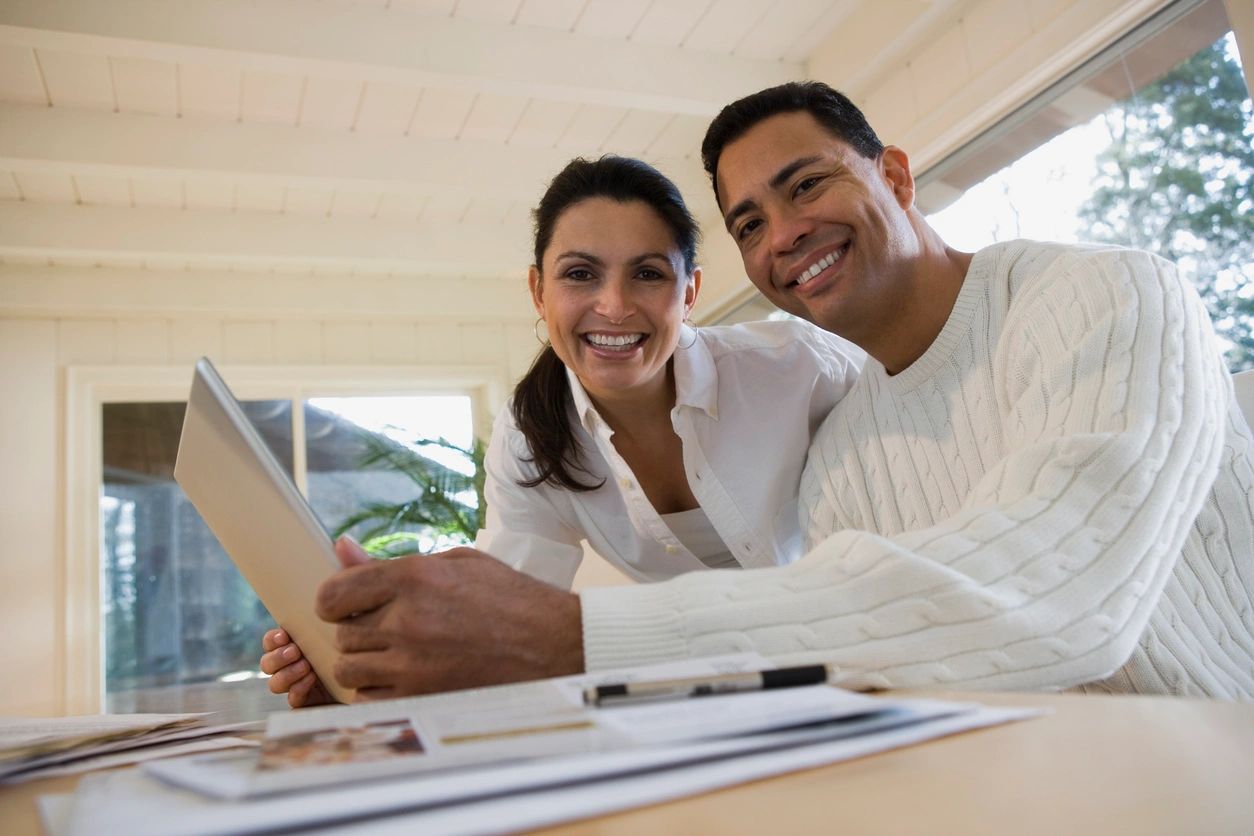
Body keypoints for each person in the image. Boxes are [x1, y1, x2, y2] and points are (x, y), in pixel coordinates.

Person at [271, 82, 1254, 702]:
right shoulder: (848, 441)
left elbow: (1061, 593)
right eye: (749, 219)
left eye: (806, 186)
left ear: (898, 175)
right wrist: (382, 661)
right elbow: (856, 653)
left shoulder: (1104, 293)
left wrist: (580, 638)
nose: (781, 233)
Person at [260, 154, 862, 705]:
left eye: (648, 274)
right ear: (538, 292)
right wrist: (356, 665)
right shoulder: (531, 438)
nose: (615, 305)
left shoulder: (800, 367)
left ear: (691, 293)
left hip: (855, 662)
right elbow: (501, 631)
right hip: (704, 701)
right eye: (580, 275)